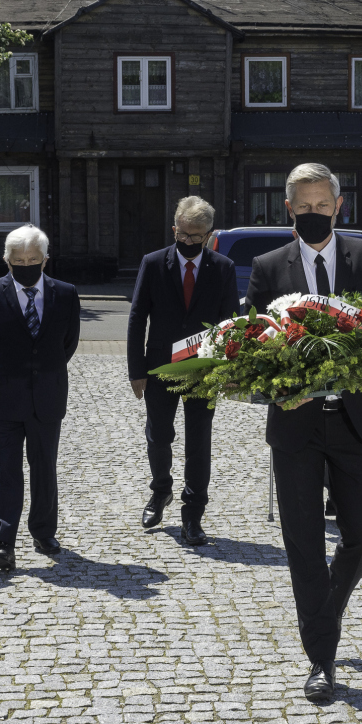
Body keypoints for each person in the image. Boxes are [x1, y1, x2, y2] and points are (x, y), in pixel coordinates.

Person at [244, 163, 362, 702]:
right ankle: (321, 659)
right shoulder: (268, 267)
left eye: (322, 205)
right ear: (289, 209)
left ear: (338, 206)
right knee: (304, 543)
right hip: (296, 426)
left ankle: (325, 614)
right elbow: (249, 348)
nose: (314, 213)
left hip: (357, 422)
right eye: (304, 206)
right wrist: (271, 388)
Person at [0, 224, 81, 572]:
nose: (26, 265)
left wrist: (42, 372)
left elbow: (68, 343)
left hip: (47, 396)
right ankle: (3, 543)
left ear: (45, 260)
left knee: (44, 467)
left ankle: (44, 532)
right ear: (8, 260)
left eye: (33, 260)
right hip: (3, 397)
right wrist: (3, 374)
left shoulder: (66, 294)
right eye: (19, 260)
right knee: (5, 470)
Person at [127, 196, 240, 545]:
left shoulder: (222, 267)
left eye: (196, 236)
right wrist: (136, 370)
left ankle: (193, 514)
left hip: (203, 369)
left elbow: (230, 323)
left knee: (198, 442)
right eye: (183, 234)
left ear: (209, 235)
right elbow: (137, 317)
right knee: (159, 435)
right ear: (174, 229)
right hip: (160, 367)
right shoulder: (153, 263)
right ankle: (161, 491)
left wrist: (229, 368)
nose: (188, 241)